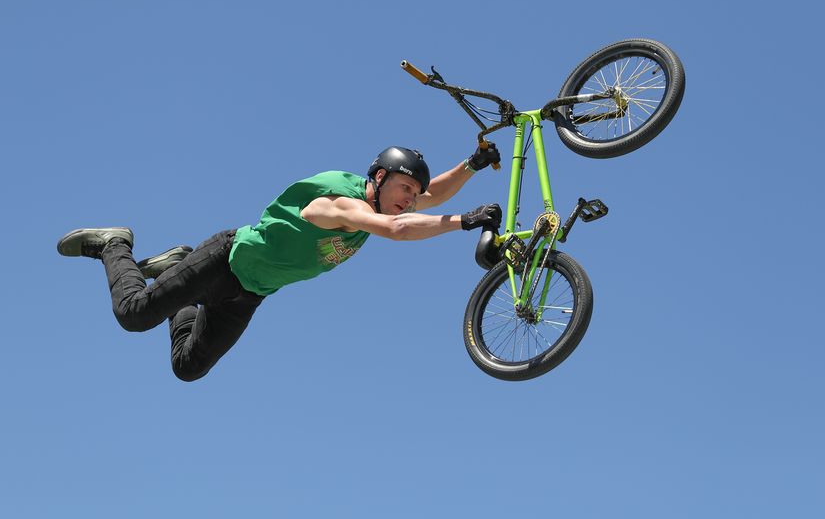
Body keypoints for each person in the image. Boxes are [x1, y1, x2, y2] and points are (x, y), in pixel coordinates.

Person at [57, 145, 502, 382]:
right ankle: (114, 244)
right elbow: (398, 229)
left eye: (413, 194)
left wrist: (473, 163)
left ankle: (176, 263)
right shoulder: (338, 203)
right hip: (224, 261)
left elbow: (434, 194)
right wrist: (464, 221)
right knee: (134, 314)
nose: (410, 200)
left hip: (248, 295)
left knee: (187, 367)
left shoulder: (385, 200)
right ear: (380, 178)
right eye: (405, 190)